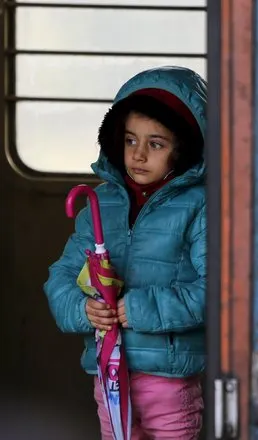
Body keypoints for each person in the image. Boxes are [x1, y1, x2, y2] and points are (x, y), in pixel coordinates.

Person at [43, 66, 208, 440]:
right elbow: (61, 276)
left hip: (169, 380)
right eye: (131, 140)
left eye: (156, 144)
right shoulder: (101, 202)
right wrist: (84, 309)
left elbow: (215, 291)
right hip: (109, 373)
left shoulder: (199, 207)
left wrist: (137, 309)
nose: (138, 155)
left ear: (183, 149)